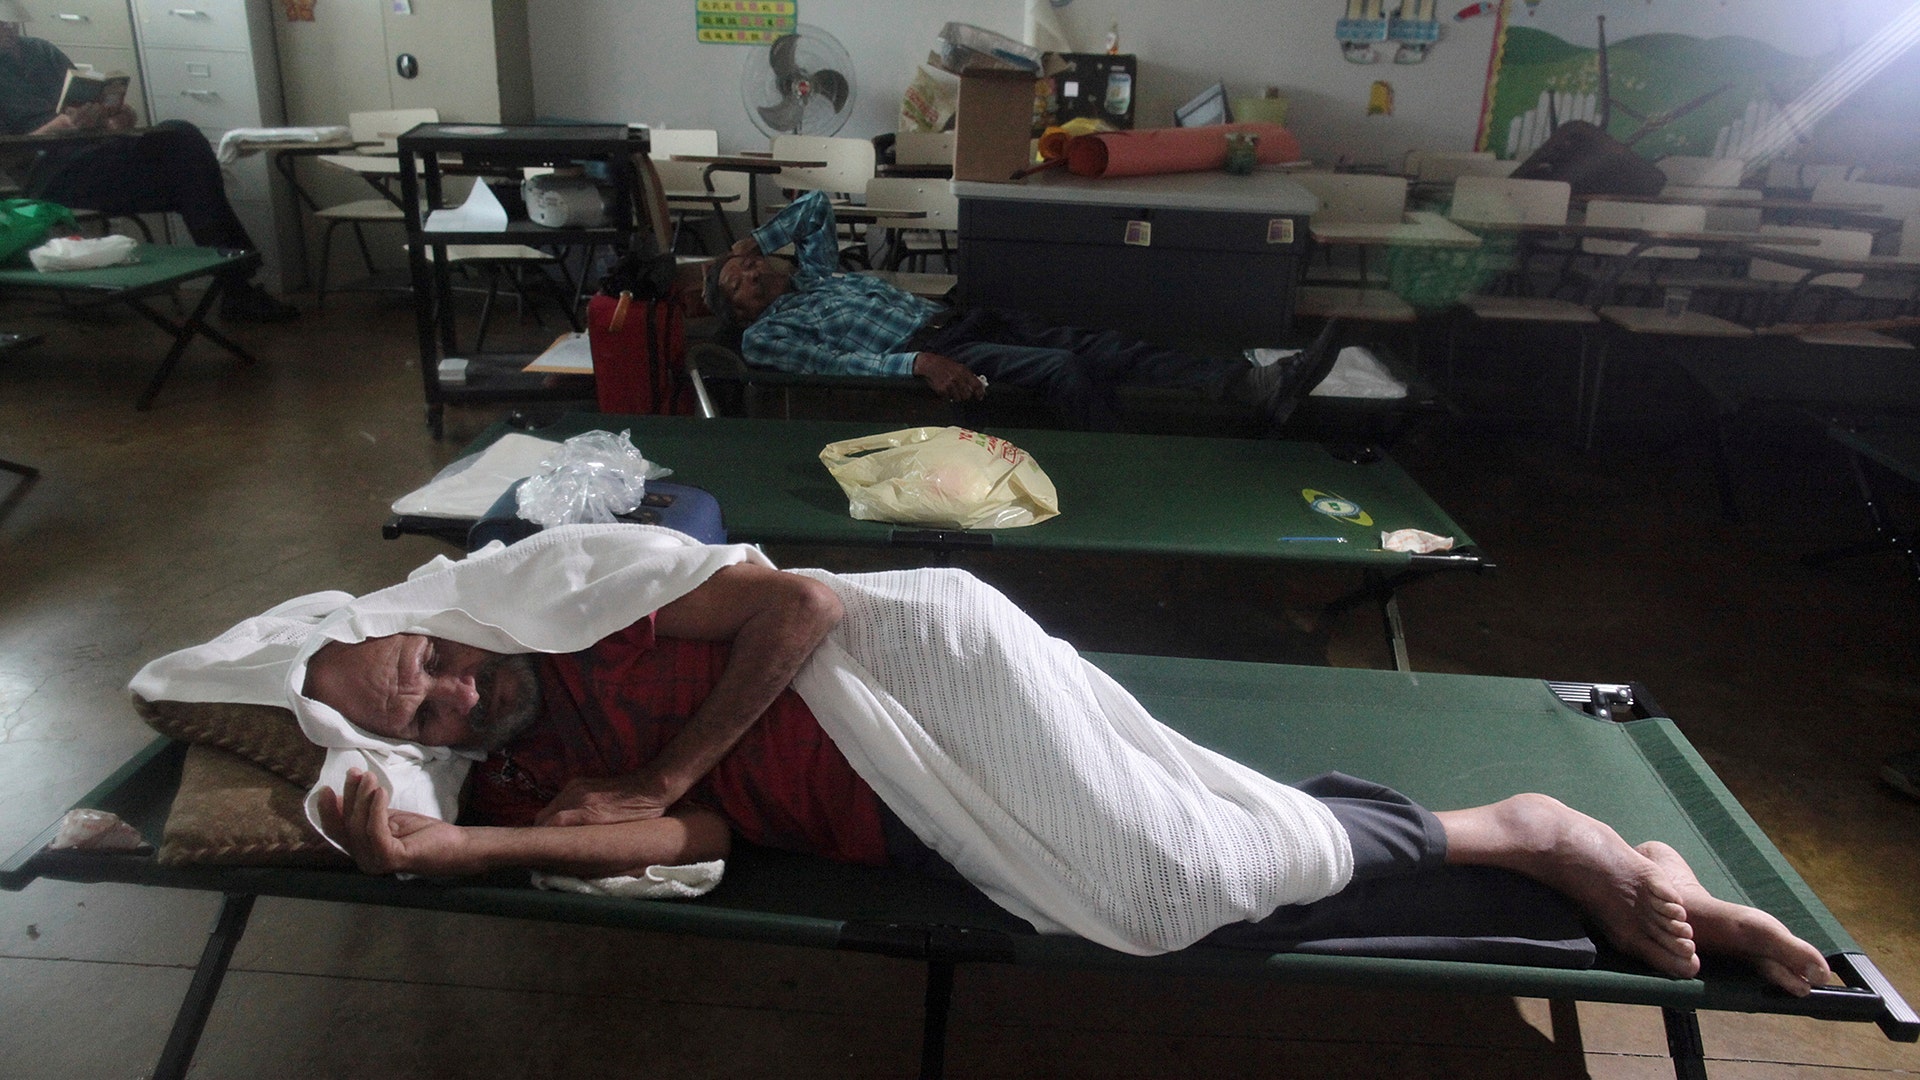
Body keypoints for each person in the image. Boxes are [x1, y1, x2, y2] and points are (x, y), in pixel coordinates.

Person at [126, 524, 1829, 994]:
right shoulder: (494, 787)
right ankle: (1543, 858)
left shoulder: (564, 598)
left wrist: (655, 775)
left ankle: (1531, 820)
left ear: (426, 619)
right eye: (408, 708)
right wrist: (450, 853)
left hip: (915, 657)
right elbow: (699, 828)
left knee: (1168, 883)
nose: (439, 691)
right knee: (1196, 851)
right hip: (893, 807)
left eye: (422, 656)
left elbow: (795, 608)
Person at [701, 189, 1329, 431]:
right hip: (937, 349)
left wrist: (752, 239)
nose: (752, 273)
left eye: (749, 265)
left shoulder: (811, 277)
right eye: (738, 282)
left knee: (1108, 345)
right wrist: (919, 363)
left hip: (960, 318)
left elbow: (813, 205)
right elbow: (838, 366)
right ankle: (1123, 466)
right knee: (1064, 369)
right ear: (737, 313)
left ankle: (1247, 384)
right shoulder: (768, 337)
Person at [0, 8, 298, 323]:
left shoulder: (42, 51)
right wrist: (62, 126)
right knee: (187, 165)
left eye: (8, 20)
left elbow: (102, 110)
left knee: (180, 139)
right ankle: (238, 282)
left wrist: (114, 115)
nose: (7, 27)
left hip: (100, 157)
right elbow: (7, 155)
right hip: (51, 178)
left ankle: (236, 284)